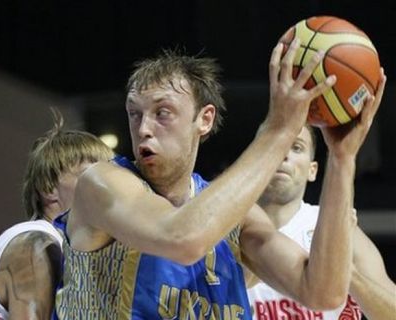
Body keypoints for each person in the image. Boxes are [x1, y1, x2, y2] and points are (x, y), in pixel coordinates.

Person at [54, 40, 386, 319]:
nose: (143, 128)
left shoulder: (238, 220)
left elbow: (323, 294)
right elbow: (182, 239)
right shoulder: (102, 182)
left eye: (162, 112)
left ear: (204, 119)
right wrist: (279, 130)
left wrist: (343, 159)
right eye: (135, 113)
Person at [0, 110, 114, 319]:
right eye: (92, 175)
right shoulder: (36, 245)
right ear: (49, 189)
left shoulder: (75, 257)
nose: (106, 187)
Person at [247, 124, 396, 320]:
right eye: (276, 144)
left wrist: (342, 271)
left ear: (312, 170)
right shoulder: (228, 231)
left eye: (297, 148)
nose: (284, 155)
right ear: (254, 159)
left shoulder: (337, 230)